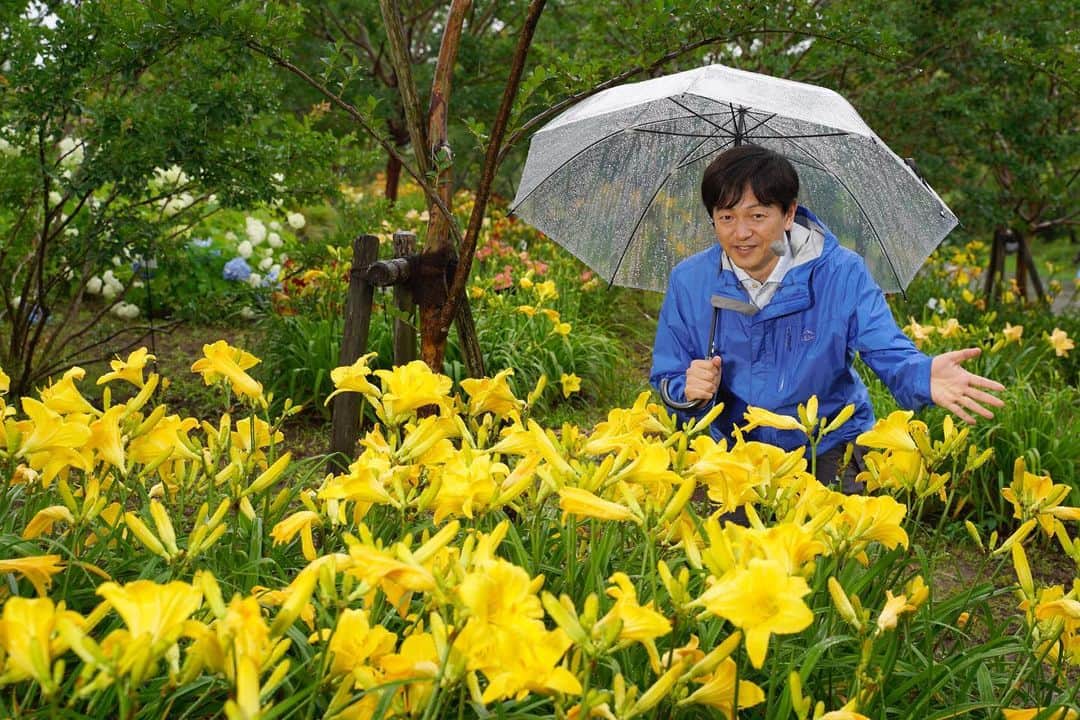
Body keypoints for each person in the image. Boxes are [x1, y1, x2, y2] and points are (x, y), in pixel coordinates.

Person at [650, 144, 1005, 486]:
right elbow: (668, 376)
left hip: (829, 444)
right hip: (734, 449)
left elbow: (885, 347)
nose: (741, 233)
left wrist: (920, 374)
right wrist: (689, 391)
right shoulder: (690, 280)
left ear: (789, 214)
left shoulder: (840, 272)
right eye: (726, 217)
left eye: (757, 215)